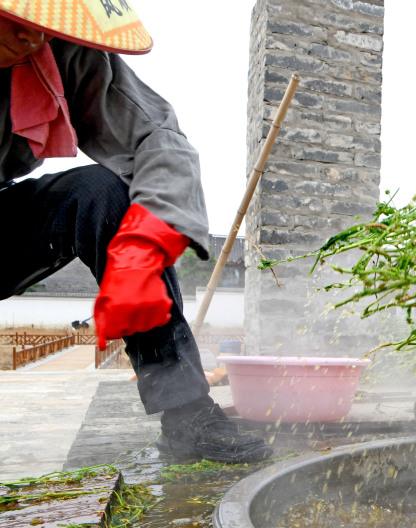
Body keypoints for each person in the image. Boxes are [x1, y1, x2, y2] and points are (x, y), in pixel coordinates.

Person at [0, 2, 272, 463]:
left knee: (103, 193)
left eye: (42, 27)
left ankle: (187, 416)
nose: (33, 38)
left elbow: (156, 136)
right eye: (16, 22)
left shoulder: (56, 46)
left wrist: (145, 246)